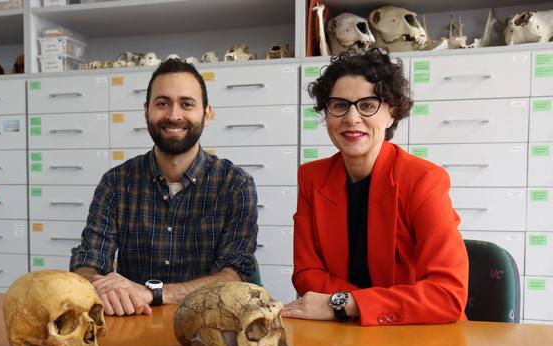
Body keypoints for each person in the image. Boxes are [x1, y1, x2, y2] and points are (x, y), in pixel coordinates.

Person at [282, 48, 468, 325]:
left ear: (391, 113)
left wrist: (348, 304)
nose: (351, 118)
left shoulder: (423, 180)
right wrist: (362, 307)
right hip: (343, 336)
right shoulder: (312, 178)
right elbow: (307, 273)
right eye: (339, 105)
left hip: (419, 336)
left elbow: (448, 294)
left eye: (367, 106)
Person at [70, 59, 259, 316]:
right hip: (133, 325)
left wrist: (152, 293)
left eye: (187, 104)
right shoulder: (115, 183)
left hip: (208, 324)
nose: (173, 115)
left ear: (207, 113)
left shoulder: (235, 184)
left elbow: (234, 276)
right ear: (146, 110)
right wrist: (98, 285)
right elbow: (88, 262)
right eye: (162, 103)